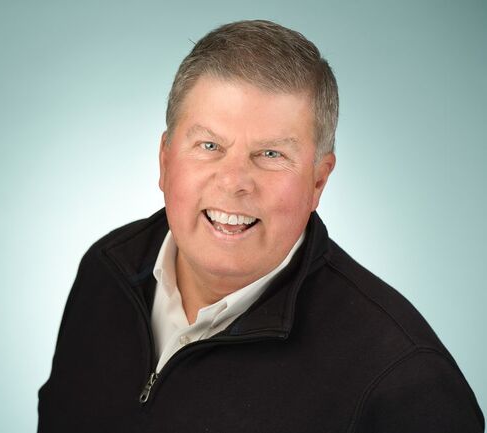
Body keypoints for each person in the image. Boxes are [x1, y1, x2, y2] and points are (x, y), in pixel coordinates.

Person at [37, 20, 484, 433]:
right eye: (209, 145)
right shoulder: (107, 270)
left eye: (271, 154)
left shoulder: (403, 381)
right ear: (165, 159)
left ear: (318, 181)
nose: (234, 182)